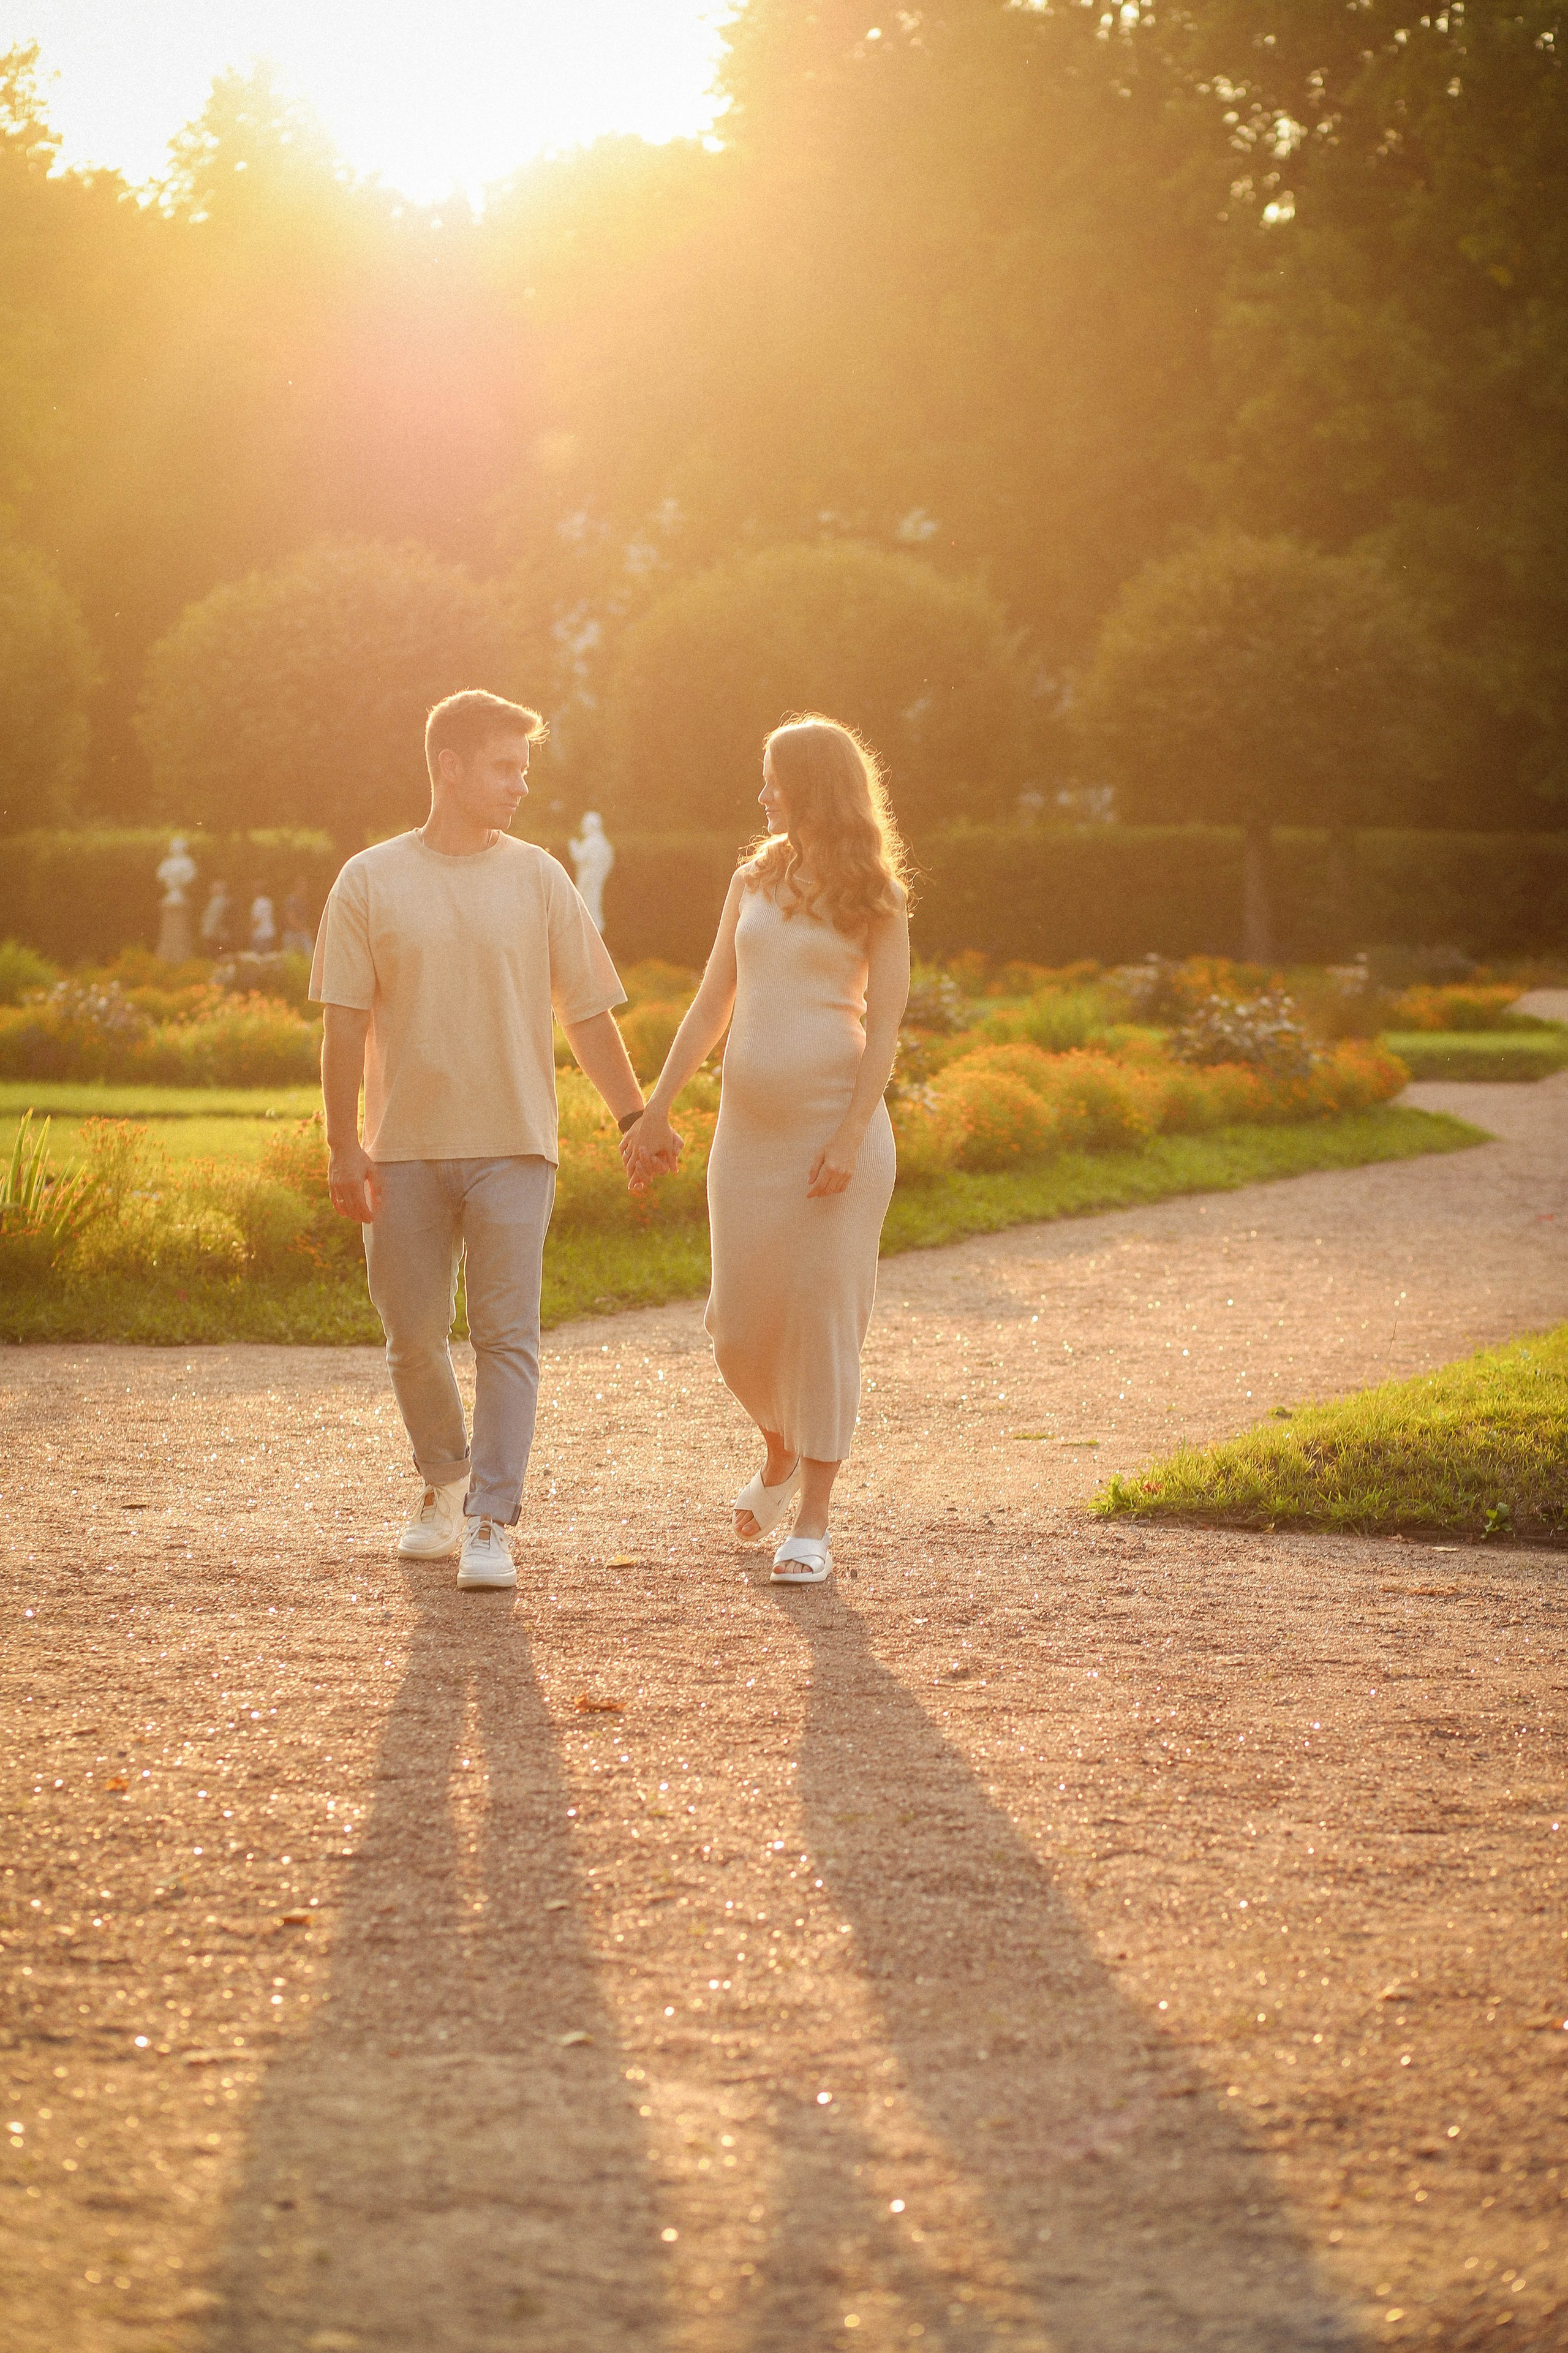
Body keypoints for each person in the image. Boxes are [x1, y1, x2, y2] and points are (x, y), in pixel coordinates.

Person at [311, 688, 645, 1591]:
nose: (520, 785)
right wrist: (344, 1144)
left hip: (515, 1145)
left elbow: (588, 1012)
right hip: (403, 1147)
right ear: (449, 768)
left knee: (508, 1335)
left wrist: (633, 1114)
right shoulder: (370, 879)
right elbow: (343, 1025)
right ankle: (444, 1478)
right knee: (412, 1337)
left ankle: (491, 1517)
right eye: (504, 767)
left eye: (525, 768)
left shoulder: (539, 876)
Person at [624, 715, 910, 1584]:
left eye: (772, 779)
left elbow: (887, 1025)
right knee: (739, 1329)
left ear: (813, 786)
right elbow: (712, 1002)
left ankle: (815, 1523)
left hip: (838, 1136)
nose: (761, 795)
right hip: (747, 1142)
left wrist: (850, 1134)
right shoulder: (752, 878)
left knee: (823, 1321)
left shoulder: (878, 899)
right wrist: (655, 1109)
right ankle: (781, 1450)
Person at [568, 810, 615, 934]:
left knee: (588, 906)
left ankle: (591, 932)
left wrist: (573, 845)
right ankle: (595, 930)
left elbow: (579, 857)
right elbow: (609, 861)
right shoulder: (604, 844)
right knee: (594, 905)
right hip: (595, 880)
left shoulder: (591, 842)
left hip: (588, 880)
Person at [200, 878, 234, 957]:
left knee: (214, 954)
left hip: (214, 934)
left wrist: (210, 932)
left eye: (213, 888)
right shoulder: (221, 901)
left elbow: (215, 919)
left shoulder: (217, 902)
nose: (210, 890)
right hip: (218, 934)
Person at [281, 877, 314, 957]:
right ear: (297, 887)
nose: (305, 889)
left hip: (301, 933)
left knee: (309, 956)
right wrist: (305, 930)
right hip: (292, 934)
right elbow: (291, 919)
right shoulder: (291, 901)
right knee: (291, 959)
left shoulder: (304, 901)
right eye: (303, 886)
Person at [250, 888, 277, 955]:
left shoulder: (257, 903)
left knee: (257, 959)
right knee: (267, 958)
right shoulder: (268, 901)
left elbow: (257, 920)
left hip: (259, 934)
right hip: (269, 933)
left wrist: (249, 931)